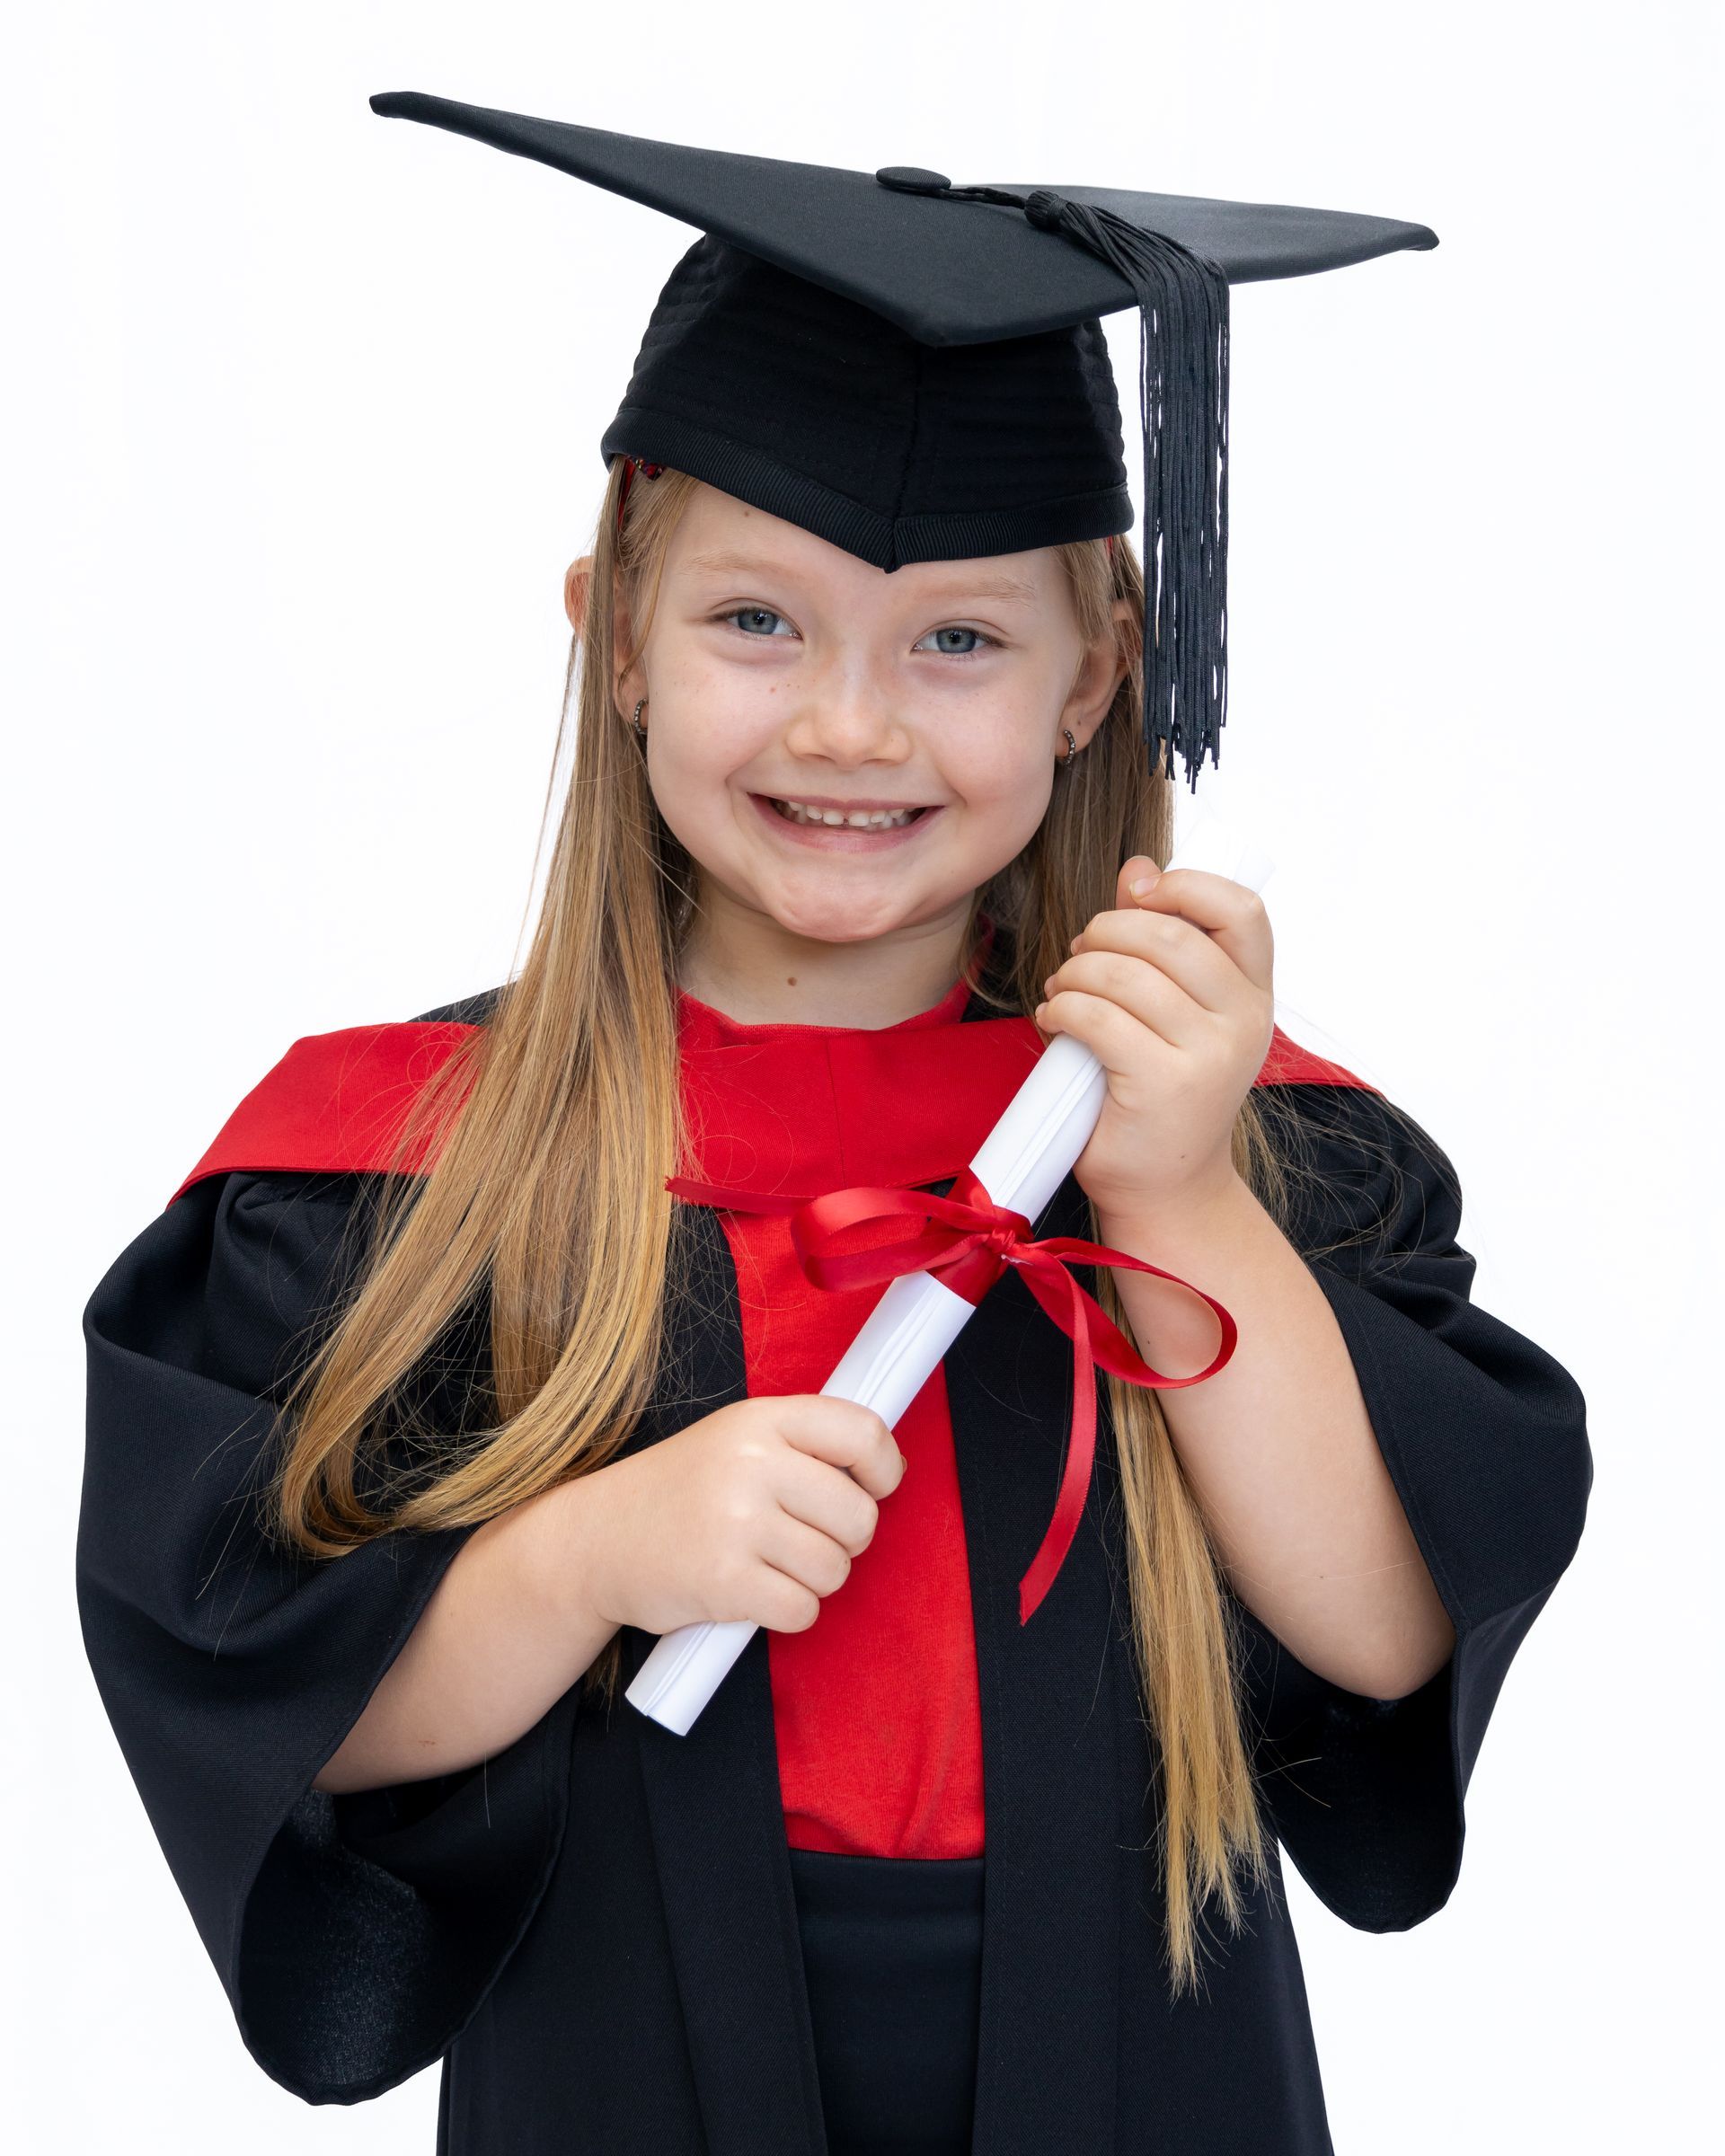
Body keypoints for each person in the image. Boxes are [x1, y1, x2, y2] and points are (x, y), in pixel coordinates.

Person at [77, 93, 1591, 2156]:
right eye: (754, 620)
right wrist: (580, 1556)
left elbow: (1391, 1630)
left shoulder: (1236, 1141)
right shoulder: (400, 1169)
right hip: (623, 2080)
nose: (849, 724)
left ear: (1097, 681)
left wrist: (1183, 1194)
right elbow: (288, 1715)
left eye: (960, 638)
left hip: (1147, 2086)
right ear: (614, 631)